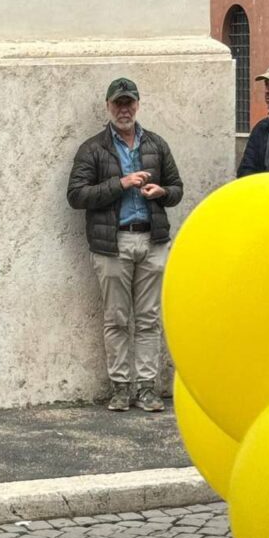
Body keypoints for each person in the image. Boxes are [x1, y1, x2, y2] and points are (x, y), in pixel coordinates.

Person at [67, 77, 183, 413]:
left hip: (152, 240)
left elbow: (177, 188)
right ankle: (120, 387)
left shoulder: (157, 144)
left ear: (137, 104)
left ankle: (146, 387)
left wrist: (162, 192)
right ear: (108, 106)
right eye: (118, 103)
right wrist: (121, 183)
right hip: (113, 244)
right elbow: (76, 195)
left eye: (129, 102)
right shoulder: (93, 148)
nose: (124, 109)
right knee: (116, 318)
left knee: (149, 319)